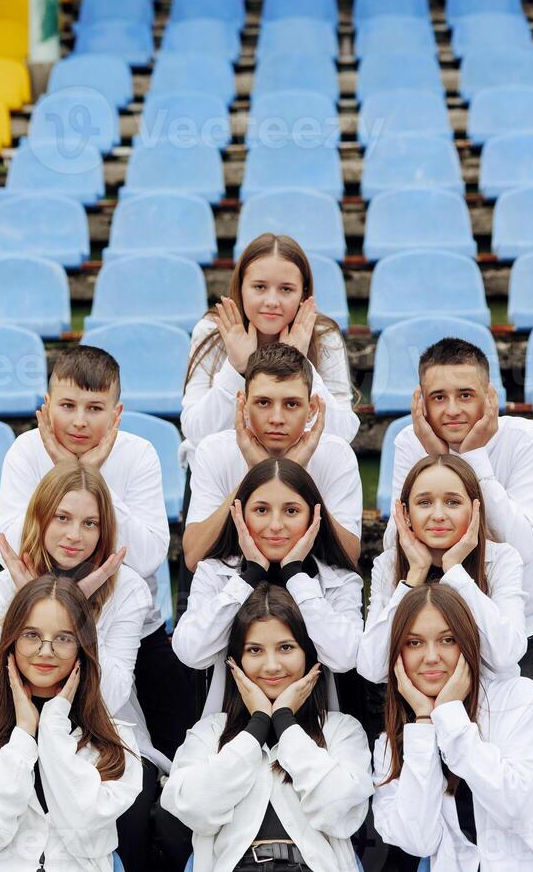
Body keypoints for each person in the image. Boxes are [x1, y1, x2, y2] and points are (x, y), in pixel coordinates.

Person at [382, 336, 533, 806]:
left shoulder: (525, 437)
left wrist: (467, 459)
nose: (452, 410)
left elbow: (526, 548)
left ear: (490, 397)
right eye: (438, 397)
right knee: (439, 781)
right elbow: (406, 540)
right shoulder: (408, 441)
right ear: (420, 401)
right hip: (441, 635)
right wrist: (435, 458)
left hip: (523, 632)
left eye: (465, 395)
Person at [0, 345, 194, 762]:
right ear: (47, 408)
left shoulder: (138, 454)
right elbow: (10, 549)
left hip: (128, 626)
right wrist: (63, 476)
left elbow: (147, 556)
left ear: (116, 414)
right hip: (42, 630)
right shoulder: (26, 451)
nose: (80, 421)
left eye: (95, 408)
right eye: (67, 406)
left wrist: (92, 477)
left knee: (175, 746)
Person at [372, 582, 533, 870]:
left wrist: (449, 715)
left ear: (468, 643)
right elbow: (417, 840)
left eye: (447, 640)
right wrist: (423, 723)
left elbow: (515, 807)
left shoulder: (518, 699)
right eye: (414, 643)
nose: (431, 656)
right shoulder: (393, 742)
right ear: (397, 655)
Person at [162, 582, 372, 872]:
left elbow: (339, 813)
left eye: (286, 647)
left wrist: (285, 722)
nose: (271, 666)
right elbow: (194, 808)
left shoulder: (341, 730)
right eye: (255, 650)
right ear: (236, 660)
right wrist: (257, 725)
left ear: (308, 654)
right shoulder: (209, 732)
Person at [0, 576, 143, 871]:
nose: (46, 651)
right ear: (11, 641)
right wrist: (24, 733)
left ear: (81, 648)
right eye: (32, 635)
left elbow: (83, 822)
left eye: (63, 638)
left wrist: (52, 726)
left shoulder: (115, 740)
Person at [172, 458, 363, 717]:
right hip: (230, 728)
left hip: (316, 730)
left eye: (291, 511)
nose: (275, 525)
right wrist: (250, 576)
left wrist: (294, 575)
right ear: (239, 513)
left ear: (313, 516)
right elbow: (191, 651)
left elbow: (344, 657)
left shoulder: (340, 578)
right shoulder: (214, 572)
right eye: (261, 510)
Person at [181, 232, 359, 471]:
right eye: (259, 287)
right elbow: (195, 431)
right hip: (221, 476)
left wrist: (298, 365)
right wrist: (235, 368)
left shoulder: (324, 337)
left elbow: (343, 433)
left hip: (298, 478)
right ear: (241, 287)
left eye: (286, 289)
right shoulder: (212, 332)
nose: (272, 301)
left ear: (303, 295)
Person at [183, 343, 363, 571]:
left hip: (314, 587)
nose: (277, 418)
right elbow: (194, 556)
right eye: (263, 403)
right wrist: (258, 474)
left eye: (291, 404)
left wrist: (292, 474)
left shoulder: (337, 454)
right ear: (243, 405)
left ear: (312, 408)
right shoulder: (213, 451)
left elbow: (349, 554)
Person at [358, 454, 527, 685]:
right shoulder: (388, 564)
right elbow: (372, 667)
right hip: (415, 706)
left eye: (453, 502)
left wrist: (454, 570)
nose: (438, 515)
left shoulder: (502, 559)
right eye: (424, 503)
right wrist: (414, 576)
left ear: (475, 509)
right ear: (406, 514)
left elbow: (506, 655)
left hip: (489, 703)